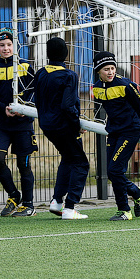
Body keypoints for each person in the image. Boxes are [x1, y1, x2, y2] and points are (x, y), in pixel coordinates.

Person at [0, 28, 38, 217]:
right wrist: (2, 107)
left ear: (14, 46)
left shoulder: (25, 67)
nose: (6, 48)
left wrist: (25, 108)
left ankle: (28, 205)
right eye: (2, 45)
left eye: (9, 45)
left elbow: (35, 91)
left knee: (24, 164)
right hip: (3, 125)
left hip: (23, 125)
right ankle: (14, 195)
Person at [34, 36, 90, 219]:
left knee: (68, 158)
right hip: (64, 127)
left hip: (46, 125)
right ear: (66, 54)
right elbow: (67, 106)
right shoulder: (69, 75)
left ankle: (57, 202)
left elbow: (38, 101)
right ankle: (70, 207)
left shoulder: (41, 73)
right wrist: (76, 125)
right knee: (81, 164)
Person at [92, 50, 140, 221]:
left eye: (112, 68)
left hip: (130, 131)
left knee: (115, 170)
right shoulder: (96, 88)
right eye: (106, 69)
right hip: (114, 132)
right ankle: (137, 192)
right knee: (112, 172)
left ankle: (124, 210)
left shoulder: (125, 85)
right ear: (98, 71)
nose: (110, 72)